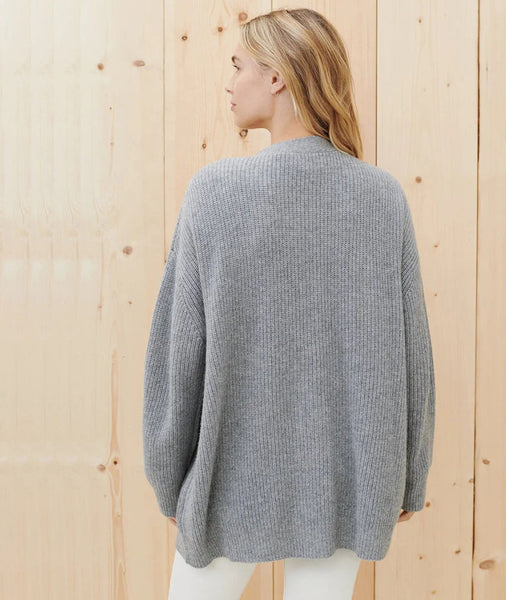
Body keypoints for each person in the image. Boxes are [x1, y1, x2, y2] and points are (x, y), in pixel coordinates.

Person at [142, 8, 436, 600]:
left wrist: (169, 476)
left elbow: (177, 356)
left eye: (238, 66)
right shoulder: (381, 197)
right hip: (351, 481)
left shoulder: (215, 193)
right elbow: (414, 360)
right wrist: (408, 475)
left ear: (276, 76)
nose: (230, 83)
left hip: (229, 482)